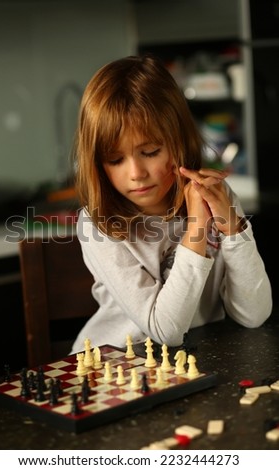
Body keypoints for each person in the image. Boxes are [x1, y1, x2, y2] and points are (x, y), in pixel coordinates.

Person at [70, 55, 272, 354]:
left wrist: (231, 226)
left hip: (196, 359)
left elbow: (253, 315)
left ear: (178, 140)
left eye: (150, 151)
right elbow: (165, 330)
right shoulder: (97, 222)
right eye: (115, 160)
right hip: (115, 367)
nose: (136, 173)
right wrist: (197, 227)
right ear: (98, 164)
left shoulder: (216, 195)